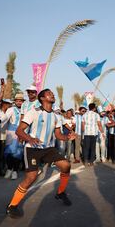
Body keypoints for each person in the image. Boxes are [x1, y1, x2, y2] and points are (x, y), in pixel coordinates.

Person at [6, 89, 77, 218]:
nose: (53, 95)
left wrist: (68, 138)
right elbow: (19, 131)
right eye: (49, 93)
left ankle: (60, 192)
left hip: (48, 148)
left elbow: (58, 135)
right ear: (42, 98)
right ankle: (12, 206)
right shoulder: (33, 112)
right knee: (31, 177)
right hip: (33, 148)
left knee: (66, 165)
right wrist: (30, 139)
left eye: (52, 94)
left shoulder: (57, 116)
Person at [3, 93, 25, 180]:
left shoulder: (25, 110)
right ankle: (9, 169)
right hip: (11, 132)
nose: (19, 102)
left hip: (21, 132)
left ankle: (15, 171)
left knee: (18, 153)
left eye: (21, 101)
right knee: (9, 152)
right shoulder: (11, 109)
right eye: (17, 101)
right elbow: (5, 117)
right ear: (15, 101)